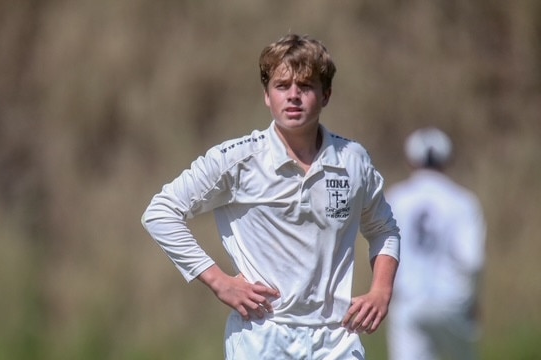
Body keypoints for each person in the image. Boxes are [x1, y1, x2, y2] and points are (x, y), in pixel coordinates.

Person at [142, 34, 400, 359]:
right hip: (262, 335)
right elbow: (161, 213)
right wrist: (219, 281)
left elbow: (384, 230)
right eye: (282, 86)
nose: (293, 96)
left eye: (305, 86)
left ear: (326, 95)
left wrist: (381, 290)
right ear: (267, 95)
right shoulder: (237, 160)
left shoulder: (353, 160)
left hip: (338, 338)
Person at [385, 127, 486, 360]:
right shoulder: (463, 202)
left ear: (410, 160)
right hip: (451, 302)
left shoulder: (396, 198)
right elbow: (472, 261)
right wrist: (473, 299)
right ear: (447, 160)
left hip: (408, 302)